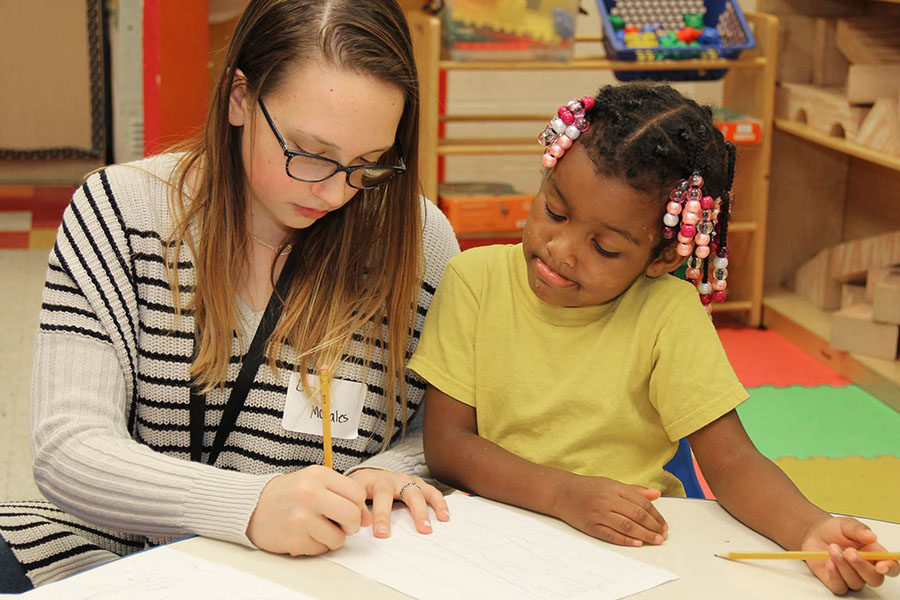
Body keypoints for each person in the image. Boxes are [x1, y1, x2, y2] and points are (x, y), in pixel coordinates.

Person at [0, 0, 459, 591]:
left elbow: (441, 433)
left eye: (368, 164)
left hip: (325, 567)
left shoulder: (418, 240)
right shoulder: (121, 208)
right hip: (120, 549)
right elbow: (69, 447)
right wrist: (246, 506)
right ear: (240, 97)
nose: (335, 192)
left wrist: (389, 474)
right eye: (310, 153)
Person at [409, 83, 899, 595]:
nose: (561, 249)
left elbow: (731, 461)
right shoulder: (475, 280)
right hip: (489, 544)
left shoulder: (669, 313)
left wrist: (810, 529)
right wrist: (564, 494)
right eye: (554, 211)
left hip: (634, 558)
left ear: (663, 258)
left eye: (603, 247)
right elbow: (447, 445)